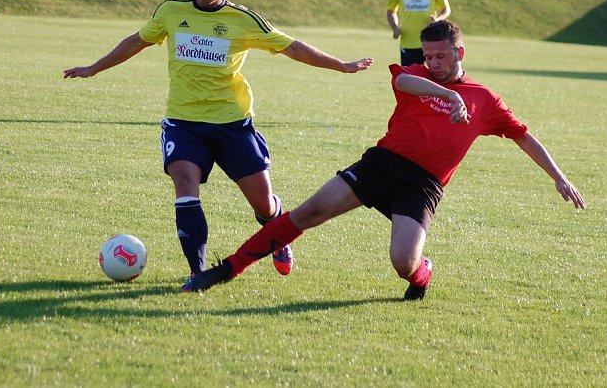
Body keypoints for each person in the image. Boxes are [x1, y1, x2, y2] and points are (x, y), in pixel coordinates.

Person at [182, 20, 585, 299]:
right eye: (429, 55)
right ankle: (226, 269)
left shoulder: (486, 99)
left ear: (460, 51)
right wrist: (448, 95)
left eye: (442, 56)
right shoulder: (418, 75)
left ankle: (422, 273)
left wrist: (559, 176)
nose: (434, 62)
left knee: (402, 262)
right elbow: (401, 80)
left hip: (422, 185)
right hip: (382, 163)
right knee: (308, 212)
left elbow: (522, 135)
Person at [63, 0, 372, 285]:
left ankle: (275, 223)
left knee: (264, 204)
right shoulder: (170, 11)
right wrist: (94, 68)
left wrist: (341, 65)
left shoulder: (243, 20)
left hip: (232, 126)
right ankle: (197, 271)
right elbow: (136, 41)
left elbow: (293, 47)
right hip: (183, 123)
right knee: (184, 186)